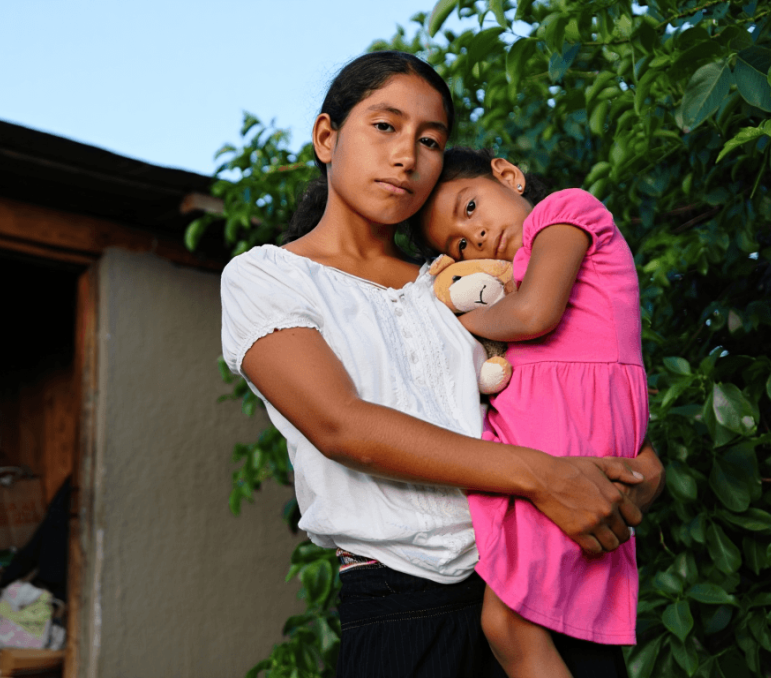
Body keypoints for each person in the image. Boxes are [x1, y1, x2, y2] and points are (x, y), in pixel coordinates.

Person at [218, 51, 664, 678]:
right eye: (384, 126)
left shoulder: (462, 284)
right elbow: (342, 426)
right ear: (326, 137)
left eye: (430, 140)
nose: (407, 155)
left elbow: (555, 382)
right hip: (406, 605)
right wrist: (543, 477)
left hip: (538, 579)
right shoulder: (269, 277)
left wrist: (635, 466)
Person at [413, 147, 650, 677]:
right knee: (517, 622)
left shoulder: (565, 211)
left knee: (506, 624)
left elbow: (534, 315)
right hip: (545, 443)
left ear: (507, 175)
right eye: (459, 244)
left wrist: (453, 323)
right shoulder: (513, 280)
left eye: (469, 207)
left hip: (571, 440)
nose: (475, 236)